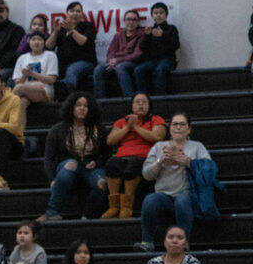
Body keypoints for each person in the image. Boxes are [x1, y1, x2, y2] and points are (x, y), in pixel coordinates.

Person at [140, 113, 211, 246]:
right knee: (149, 200)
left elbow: (209, 171)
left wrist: (187, 162)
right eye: (175, 124)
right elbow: (146, 174)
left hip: (188, 195)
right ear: (170, 128)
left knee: (182, 200)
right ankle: (147, 242)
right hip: (164, 196)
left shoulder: (197, 146)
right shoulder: (159, 147)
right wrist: (161, 161)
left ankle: (184, 243)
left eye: (182, 124)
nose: (178, 127)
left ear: (189, 129)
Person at [40, 91, 108, 221]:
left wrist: (97, 162)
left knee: (102, 183)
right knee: (71, 164)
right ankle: (52, 211)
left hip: (91, 167)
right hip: (67, 165)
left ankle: (88, 216)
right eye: (78, 105)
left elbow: (106, 154)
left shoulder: (100, 129)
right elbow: (49, 158)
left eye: (85, 105)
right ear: (71, 107)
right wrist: (52, 179)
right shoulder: (58, 129)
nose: (82, 108)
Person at [101, 92, 167, 220]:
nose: (141, 105)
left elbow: (157, 137)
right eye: (137, 102)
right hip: (122, 156)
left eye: (144, 102)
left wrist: (136, 127)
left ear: (149, 106)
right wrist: (127, 127)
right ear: (132, 106)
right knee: (111, 163)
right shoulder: (122, 122)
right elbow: (110, 140)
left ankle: (127, 206)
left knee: (133, 164)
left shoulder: (156, 120)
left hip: (145, 157)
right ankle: (114, 206)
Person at [94, 9, 145, 99]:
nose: (131, 22)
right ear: (124, 21)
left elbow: (137, 54)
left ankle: (129, 99)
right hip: (115, 62)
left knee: (120, 67)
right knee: (99, 68)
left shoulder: (141, 35)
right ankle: (100, 100)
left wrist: (118, 61)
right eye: (128, 19)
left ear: (138, 22)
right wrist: (111, 61)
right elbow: (111, 52)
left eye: (134, 20)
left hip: (132, 62)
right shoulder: (118, 35)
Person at [48, 1, 98, 92]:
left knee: (72, 70)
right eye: (72, 11)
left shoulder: (87, 26)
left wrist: (71, 30)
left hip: (85, 62)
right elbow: (48, 46)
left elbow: (83, 42)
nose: (75, 13)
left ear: (82, 15)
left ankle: (67, 92)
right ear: (67, 13)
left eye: (78, 11)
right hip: (63, 63)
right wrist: (55, 32)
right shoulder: (61, 29)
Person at [137, 2, 180, 96]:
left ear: (166, 15)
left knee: (160, 70)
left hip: (168, 59)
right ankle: (143, 97)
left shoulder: (171, 29)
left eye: (161, 13)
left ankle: (160, 97)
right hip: (153, 60)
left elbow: (176, 45)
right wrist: (147, 36)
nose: (158, 15)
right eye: (156, 13)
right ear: (152, 16)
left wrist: (163, 35)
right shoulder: (150, 30)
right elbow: (143, 48)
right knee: (139, 70)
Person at [11, 32, 59, 109]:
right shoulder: (22, 58)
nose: (36, 42)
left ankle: (4, 111)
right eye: (33, 39)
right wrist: (25, 75)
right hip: (25, 90)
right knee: (22, 103)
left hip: (44, 90)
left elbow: (51, 80)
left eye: (39, 39)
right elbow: (17, 83)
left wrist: (33, 74)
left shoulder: (51, 55)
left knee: (19, 88)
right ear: (29, 42)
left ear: (44, 42)